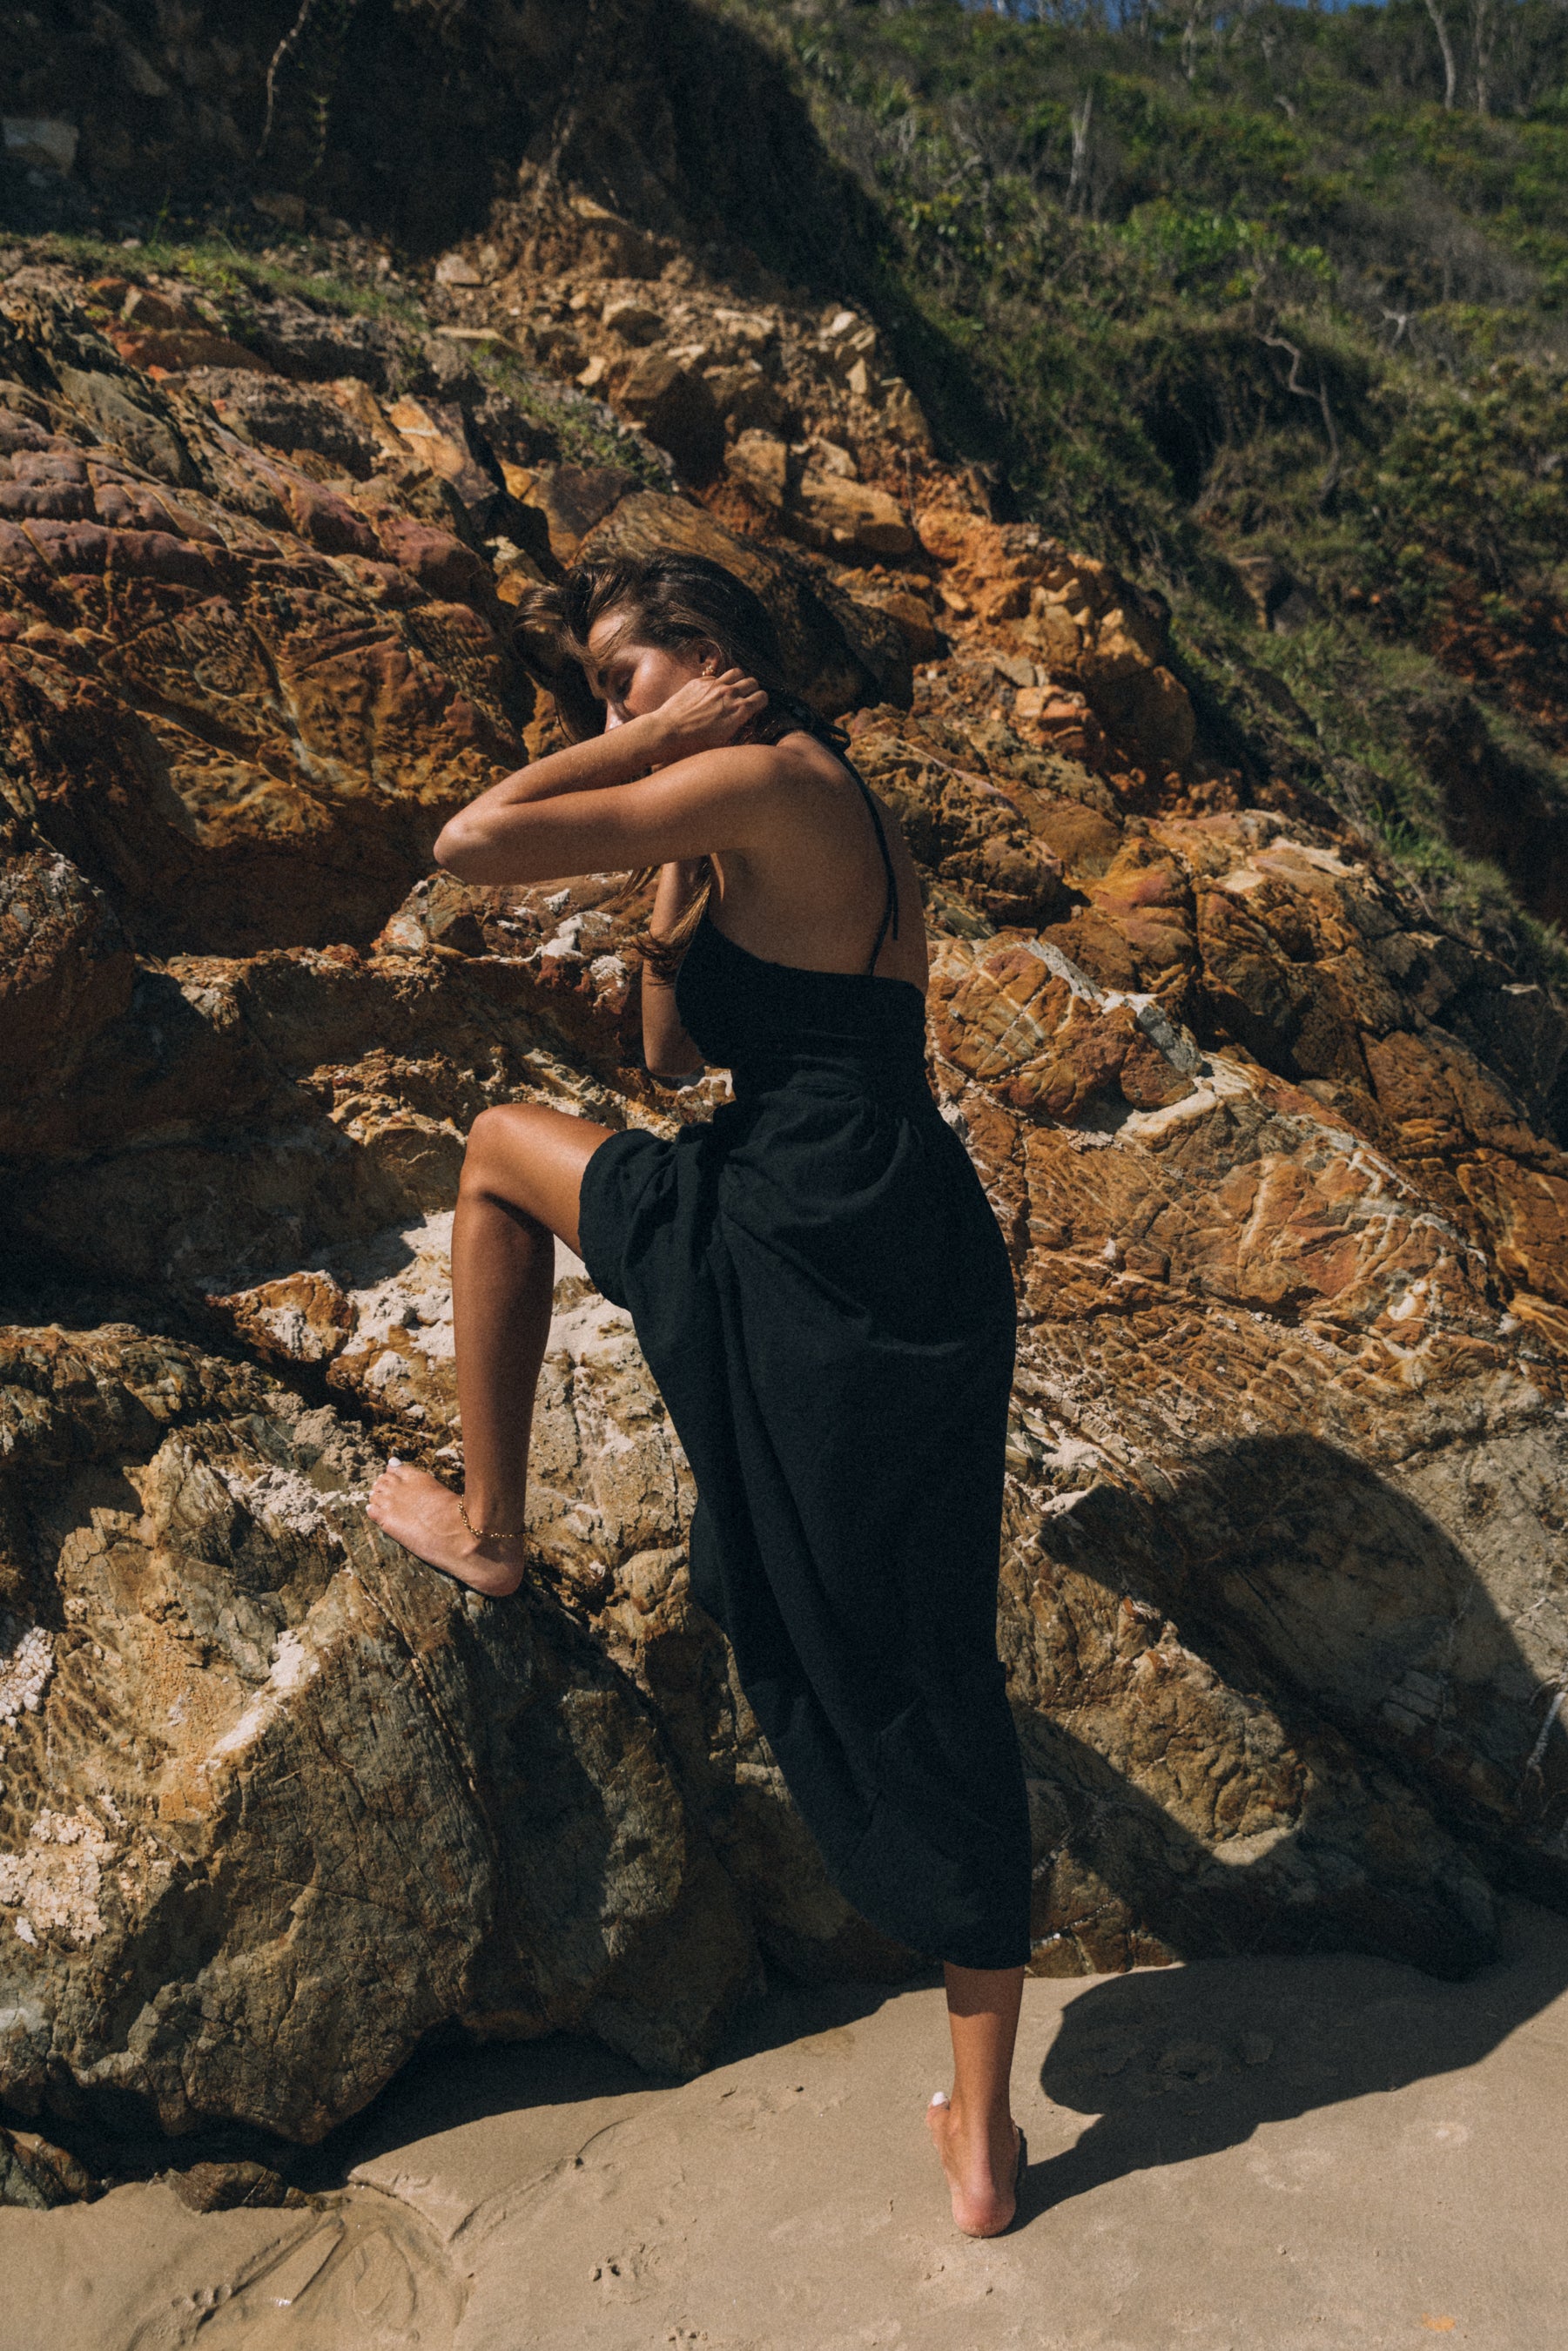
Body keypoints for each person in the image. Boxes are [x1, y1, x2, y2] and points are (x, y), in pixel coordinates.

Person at [367, 550, 1033, 2235]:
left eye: (624, 675)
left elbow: (468, 843)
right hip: (890, 1217)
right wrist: (669, 876)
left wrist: (639, 754)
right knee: (925, 1635)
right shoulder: (801, 799)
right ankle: (982, 2134)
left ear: (713, 656)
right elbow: (670, 1061)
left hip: (803, 1226)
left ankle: (493, 1527)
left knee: (495, 1154)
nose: (611, 709)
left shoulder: (756, 774)